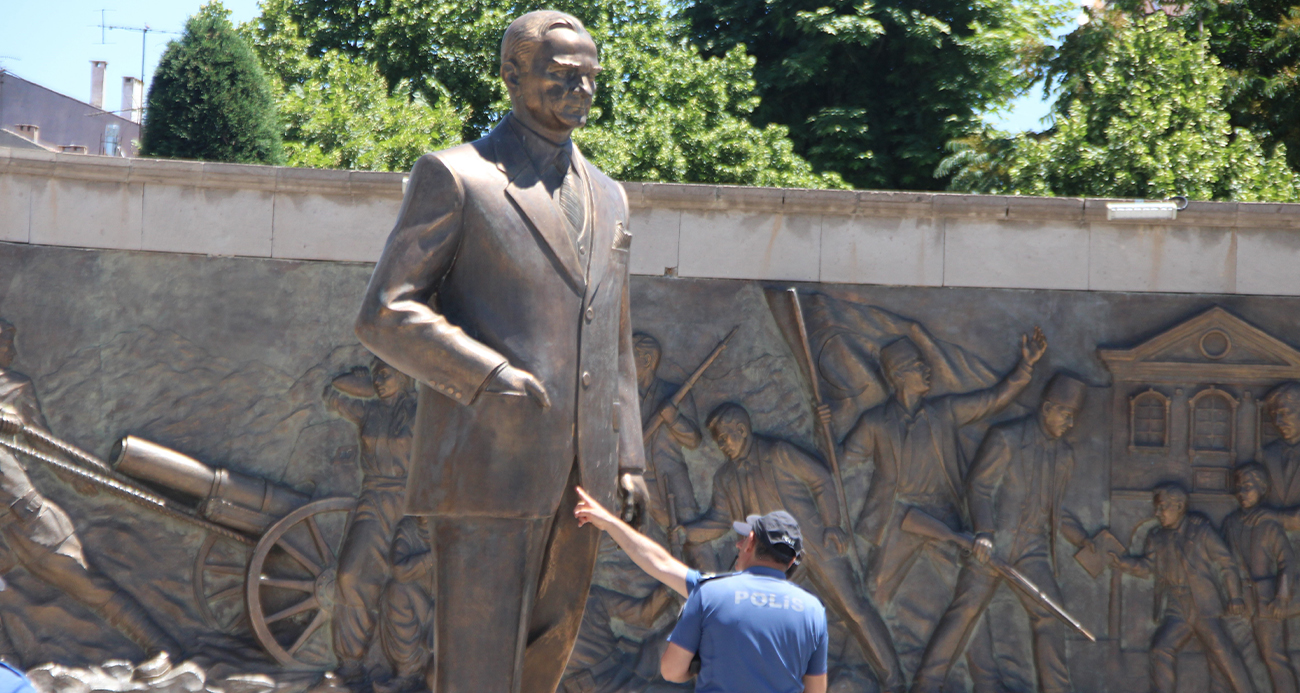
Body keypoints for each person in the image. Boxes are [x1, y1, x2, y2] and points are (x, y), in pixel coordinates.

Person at [352, 11, 648, 693]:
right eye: (561, 73)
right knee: (478, 668)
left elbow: (615, 336)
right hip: (486, 463)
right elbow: (386, 311)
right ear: (513, 74)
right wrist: (486, 375)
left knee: (547, 657)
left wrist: (627, 456)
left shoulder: (610, 196)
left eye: (590, 76)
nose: (580, 87)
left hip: (584, 476)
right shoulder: (457, 177)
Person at [679, 403, 902, 692]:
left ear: (742, 430)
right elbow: (719, 520)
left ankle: (894, 681)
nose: (722, 445)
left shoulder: (777, 453)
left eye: (725, 437)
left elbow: (821, 478)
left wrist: (832, 524)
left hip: (814, 544)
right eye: (719, 441)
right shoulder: (725, 477)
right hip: (772, 561)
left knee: (855, 609)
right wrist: (686, 533)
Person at [0, 319, 179, 674]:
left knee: (85, 583)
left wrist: (76, 475)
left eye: (10, 341)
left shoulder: (16, 387)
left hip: (26, 516)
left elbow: (41, 439)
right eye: (5, 341)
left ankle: (165, 649)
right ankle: (10, 668)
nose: (11, 349)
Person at [837, 329, 1046, 605]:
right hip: (898, 517)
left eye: (924, 364)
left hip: (943, 515)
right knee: (874, 591)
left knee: (966, 598)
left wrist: (1026, 365)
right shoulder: (874, 422)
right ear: (898, 376)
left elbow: (993, 400)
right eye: (917, 366)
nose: (927, 370)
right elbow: (840, 465)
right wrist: (823, 427)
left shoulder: (945, 411)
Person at [911, 374, 1090, 693]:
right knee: (965, 610)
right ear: (1047, 407)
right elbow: (979, 486)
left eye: (1074, 415)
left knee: (1050, 616)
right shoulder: (1006, 438)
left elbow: (1056, 511)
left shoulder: (1064, 457)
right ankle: (926, 683)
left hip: (1031, 552)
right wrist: (984, 533)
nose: (1071, 422)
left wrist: (1085, 541)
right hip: (992, 546)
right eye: (1066, 413)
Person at [574, 487, 830, 693]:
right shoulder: (813, 612)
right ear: (791, 562)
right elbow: (816, 690)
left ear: (751, 542)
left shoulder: (710, 593)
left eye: (744, 538)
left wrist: (608, 522)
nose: (739, 544)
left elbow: (671, 670)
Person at [323, 358, 417, 680]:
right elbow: (332, 392)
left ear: (405, 377)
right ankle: (350, 663)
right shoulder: (369, 411)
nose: (379, 380)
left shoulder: (423, 413)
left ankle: (410, 665)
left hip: (411, 504)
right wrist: (361, 380)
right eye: (376, 375)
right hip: (373, 498)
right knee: (350, 574)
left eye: (387, 374)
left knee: (408, 580)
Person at [1109, 484, 1254, 693]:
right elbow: (1147, 567)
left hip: (1203, 603)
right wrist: (1123, 563)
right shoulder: (1156, 537)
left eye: (1163, 507)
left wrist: (1235, 596)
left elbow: (1226, 562)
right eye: (1156, 508)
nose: (1157, 513)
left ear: (1179, 506)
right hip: (1177, 605)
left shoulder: (1201, 529)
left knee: (1223, 654)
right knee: (1160, 648)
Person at [1220, 463, 1298, 693]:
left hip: (1266, 602)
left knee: (1273, 657)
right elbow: (1222, 562)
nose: (1241, 493)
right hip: (1239, 602)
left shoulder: (1268, 524)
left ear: (1262, 489)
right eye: (1239, 487)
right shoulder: (1230, 523)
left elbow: (1287, 561)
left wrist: (1282, 597)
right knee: (1231, 655)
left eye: (1248, 487)